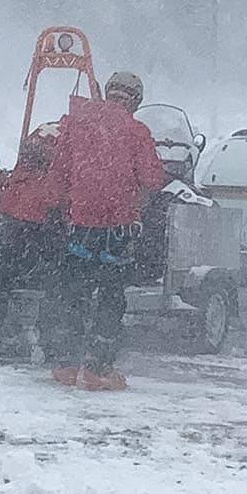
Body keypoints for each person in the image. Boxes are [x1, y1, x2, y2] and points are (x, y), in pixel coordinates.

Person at [47, 71, 165, 390]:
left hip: (80, 224)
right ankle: (99, 368)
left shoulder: (77, 124)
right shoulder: (136, 130)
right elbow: (153, 178)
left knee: (74, 292)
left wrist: (68, 206)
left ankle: (66, 364)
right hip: (117, 226)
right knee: (111, 297)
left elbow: (58, 172)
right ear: (135, 100)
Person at [0, 120, 65, 357]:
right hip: (41, 218)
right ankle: (43, 334)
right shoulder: (69, 141)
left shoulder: (38, 140)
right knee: (49, 276)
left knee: (4, 275)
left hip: (15, 214)